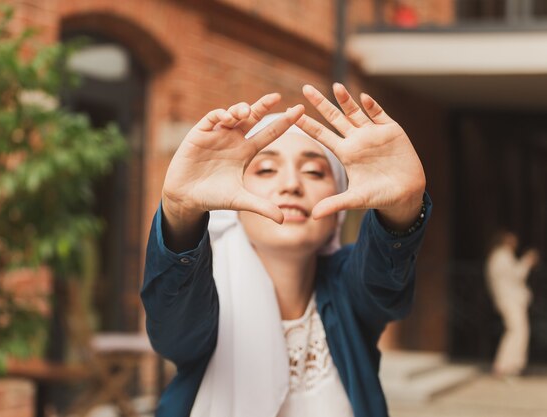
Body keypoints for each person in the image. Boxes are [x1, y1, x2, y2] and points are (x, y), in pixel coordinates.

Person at [141, 83, 431, 417]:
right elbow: (173, 329)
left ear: (339, 203)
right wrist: (181, 213)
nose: (291, 184)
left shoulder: (349, 292)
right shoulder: (203, 293)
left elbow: (384, 277)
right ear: (232, 200)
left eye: (313, 171)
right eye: (266, 169)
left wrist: (401, 207)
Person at [485, 231, 539, 377]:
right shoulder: (501, 256)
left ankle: (511, 365)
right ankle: (504, 365)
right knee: (516, 330)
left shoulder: (500, 256)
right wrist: (527, 261)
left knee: (519, 331)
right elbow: (516, 275)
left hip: (510, 299)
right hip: (509, 299)